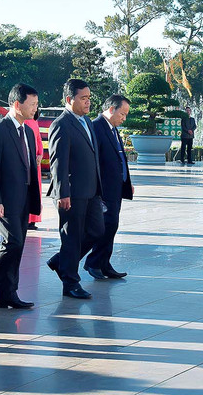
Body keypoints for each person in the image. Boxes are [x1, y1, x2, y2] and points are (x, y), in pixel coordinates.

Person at [0, 83, 42, 309]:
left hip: (23, 198)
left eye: (36, 103)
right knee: (12, 242)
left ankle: (8, 293)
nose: (35, 108)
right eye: (32, 104)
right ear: (17, 104)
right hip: (4, 199)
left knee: (19, 243)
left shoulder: (28, 131)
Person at [46, 79, 105, 299]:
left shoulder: (87, 121)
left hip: (91, 190)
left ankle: (61, 262)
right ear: (70, 99)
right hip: (71, 192)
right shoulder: (62, 124)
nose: (88, 102)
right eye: (84, 98)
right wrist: (63, 193)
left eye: (89, 97)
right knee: (71, 238)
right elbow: (57, 162)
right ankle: (70, 283)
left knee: (97, 231)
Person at [84, 94, 133, 280]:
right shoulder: (97, 127)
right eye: (122, 114)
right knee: (106, 225)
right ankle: (93, 262)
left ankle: (104, 263)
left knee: (112, 225)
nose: (124, 118)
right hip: (104, 188)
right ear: (111, 109)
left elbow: (118, 157)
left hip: (116, 187)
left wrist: (126, 181)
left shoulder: (112, 128)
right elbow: (94, 160)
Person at [25, 107, 43, 229]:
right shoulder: (23, 121)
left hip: (36, 162)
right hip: (27, 161)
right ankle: (26, 218)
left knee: (37, 189)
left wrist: (40, 154)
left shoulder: (35, 122)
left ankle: (33, 219)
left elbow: (39, 140)